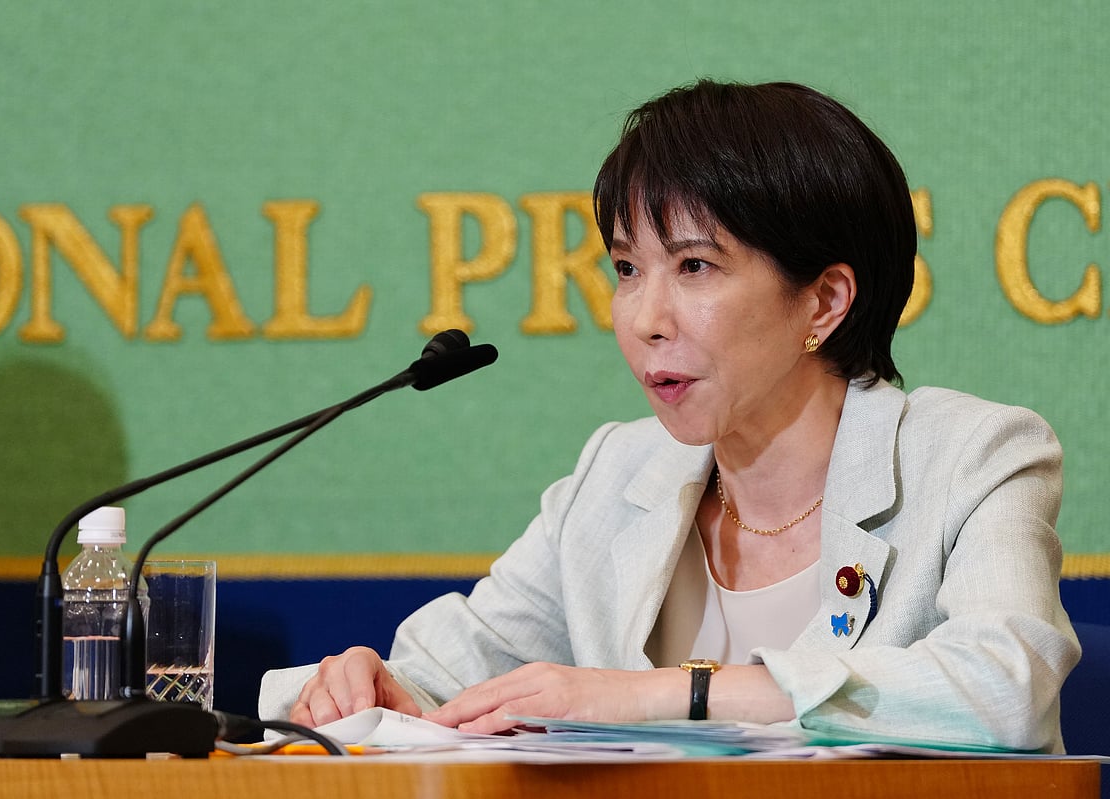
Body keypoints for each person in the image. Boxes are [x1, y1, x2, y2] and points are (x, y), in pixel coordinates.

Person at [259, 79, 1080, 753]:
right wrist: (376, 681)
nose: (645, 315)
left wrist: (669, 694)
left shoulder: (975, 455)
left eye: (694, 265)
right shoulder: (619, 472)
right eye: (626, 267)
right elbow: (449, 673)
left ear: (825, 300)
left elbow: (1004, 686)